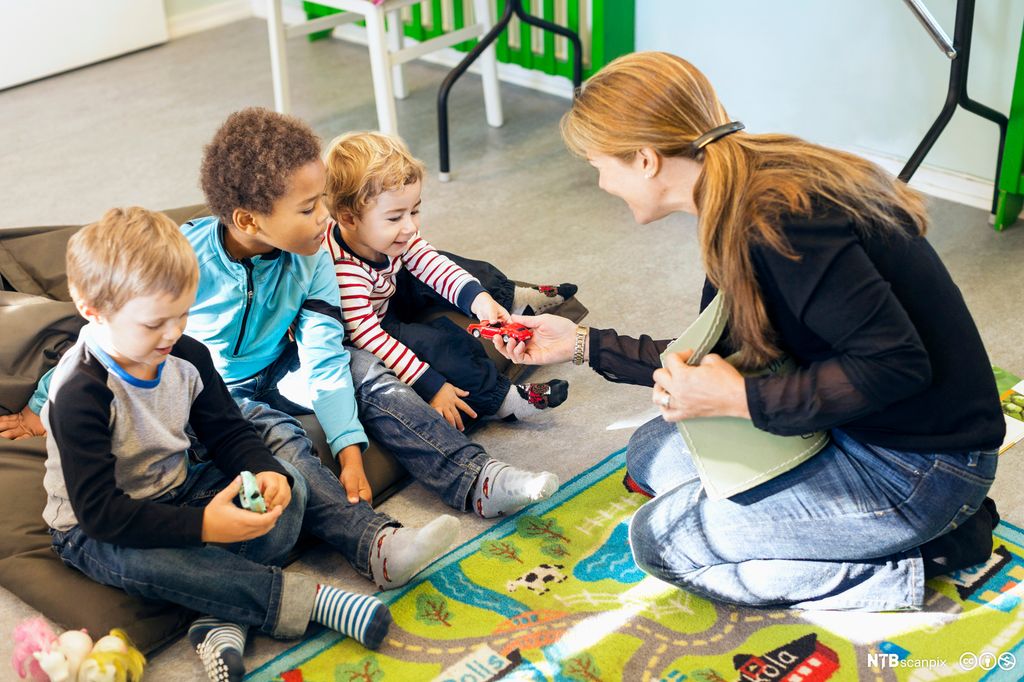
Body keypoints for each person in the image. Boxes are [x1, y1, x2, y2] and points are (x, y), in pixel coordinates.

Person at [491, 51, 1005, 611]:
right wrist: (581, 345)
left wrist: (739, 398)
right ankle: (830, 527)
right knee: (648, 451)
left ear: (644, 160)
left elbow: (896, 365)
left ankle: (917, 558)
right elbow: (724, 349)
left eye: (598, 165)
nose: (599, 182)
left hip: (920, 466)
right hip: (848, 423)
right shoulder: (737, 188)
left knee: (660, 541)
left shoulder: (782, 218)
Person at [42, 207, 392, 682]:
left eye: (182, 314)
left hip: (180, 486)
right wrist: (204, 526)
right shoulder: (78, 392)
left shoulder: (186, 353)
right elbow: (101, 513)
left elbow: (227, 430)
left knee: (288, 491)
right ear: (92, 308)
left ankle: (220, 617)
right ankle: (308, 601)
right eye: (153, 323)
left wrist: (264, 470)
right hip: (96, 528)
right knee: (150, 560)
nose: (172, 332)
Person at [323, 131, 575, 430]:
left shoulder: (393, 237)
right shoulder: (343, 271)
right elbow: (370, 338)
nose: (410, 226)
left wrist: (479, 299)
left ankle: (513, 300)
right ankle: (502, 400)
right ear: (349, 219)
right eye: (395, 218)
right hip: (372, 326)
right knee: (437, 343)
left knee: (446, 262)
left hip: (388, 290)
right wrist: (430, 385)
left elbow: (431, 263)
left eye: (414, 211)